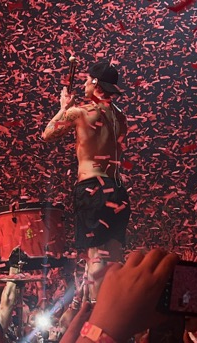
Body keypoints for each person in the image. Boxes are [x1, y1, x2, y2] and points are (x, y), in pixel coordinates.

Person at [42, 61, 131, 301]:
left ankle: (95, 322)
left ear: (95, 84)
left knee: (96, 261)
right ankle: (113, 318)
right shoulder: (120, 118)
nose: (82, 84)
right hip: (118, 191)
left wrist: (63, 107)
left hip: (92, 189)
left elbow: (48, 134)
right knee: (113, 260)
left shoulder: (81, 112)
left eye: (86, 80)